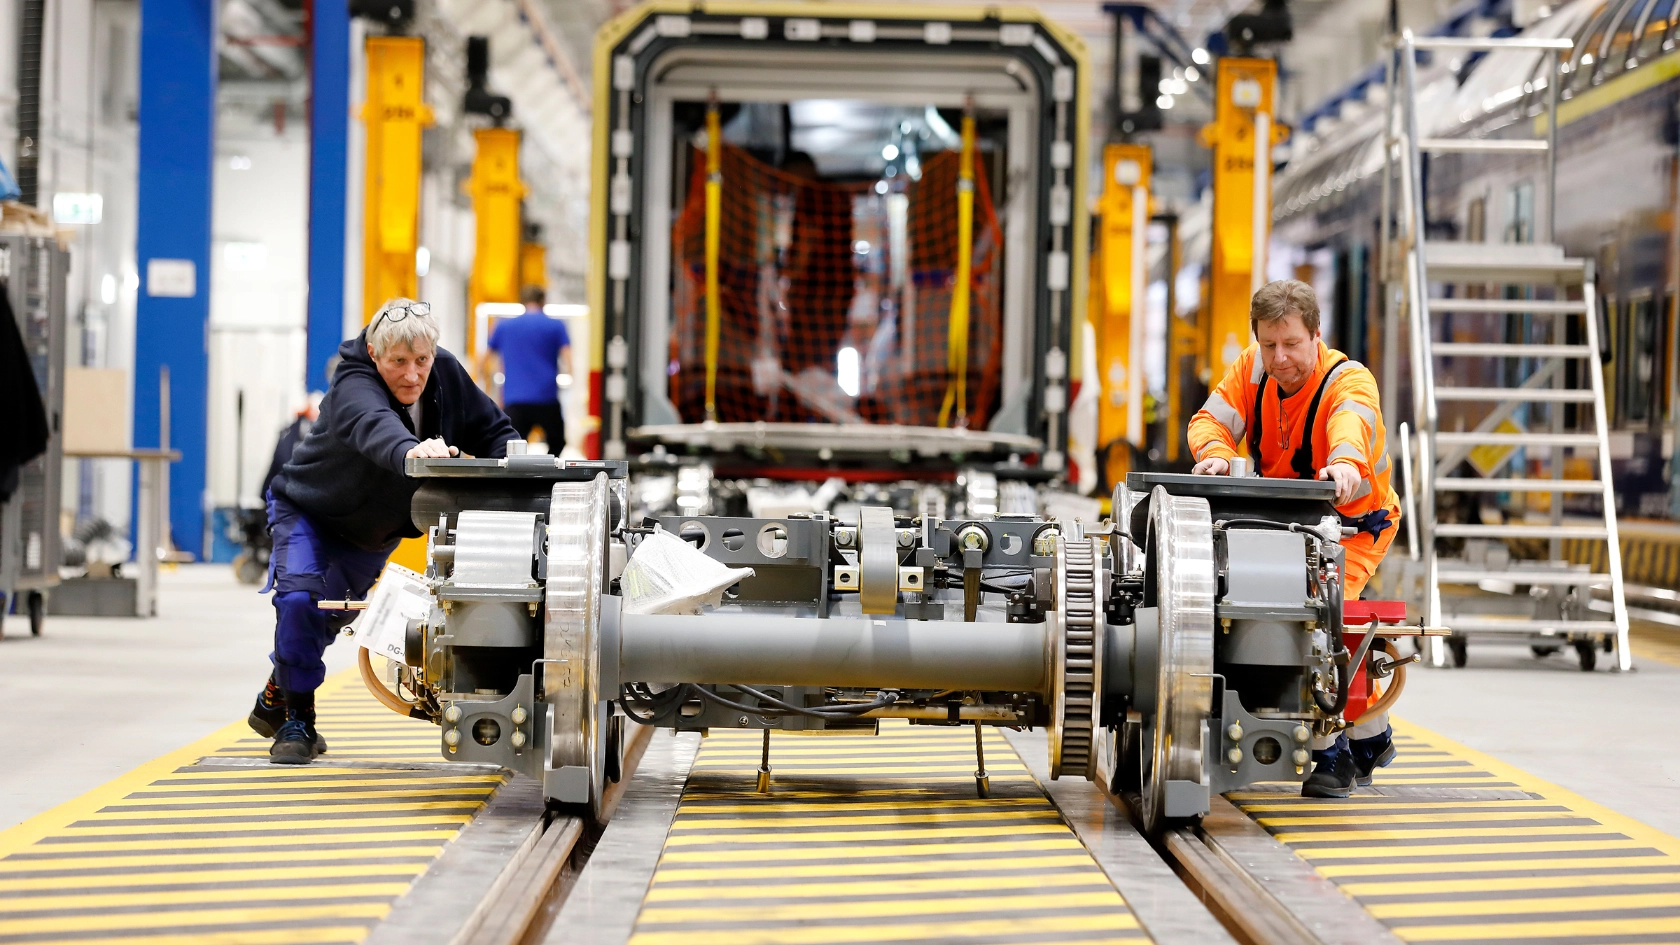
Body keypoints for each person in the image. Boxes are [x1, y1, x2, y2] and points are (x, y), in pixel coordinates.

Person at [252, 298, 517, 764]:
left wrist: (521, 465)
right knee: (299, 599)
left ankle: (277, 692)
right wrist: (413, 453)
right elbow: (374, 426)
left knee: (329, 618)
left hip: (370, 532)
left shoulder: (445, 374)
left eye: (422, 361)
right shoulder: (354, 381)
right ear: (375, 354)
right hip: (308, 510)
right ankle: (298, 719)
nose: (413, 375)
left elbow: (494, 430)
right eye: (398, 363)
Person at [1188, 278, 1402, 799]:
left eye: (1291, 344)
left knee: (1321, 615)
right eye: (1268, 345)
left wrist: (1346, 464)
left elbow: (1353, 425)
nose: (1279, 358)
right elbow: (1207, 421)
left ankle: (1332, 752)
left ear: (1316, 336)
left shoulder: (1348, 381)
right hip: (1284, 522)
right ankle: (1371, 738)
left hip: (1351, 526)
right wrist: (1214, 452)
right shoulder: (1251, 370)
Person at [486, 286, 571, 451]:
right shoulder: (555, 326)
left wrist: (489, 384)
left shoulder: (504, 326)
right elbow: (568, 358)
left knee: (512, 448)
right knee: (557, 443)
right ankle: (547, 475)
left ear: (522, 302)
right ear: (543, 301)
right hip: (547, 398)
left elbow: (485, 359)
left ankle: (521, 476)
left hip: (514, 399)